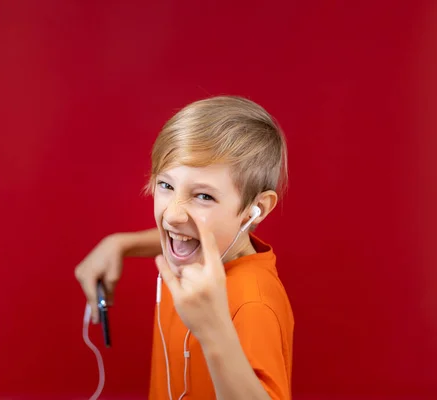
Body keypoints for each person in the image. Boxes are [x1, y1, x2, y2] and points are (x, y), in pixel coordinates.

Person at [75, 96, 294, 400]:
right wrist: (122, 244)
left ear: (255, 209)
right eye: (166, 186)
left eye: (204, 196)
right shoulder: (203, 253)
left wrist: (213, 329)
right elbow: (195, 233)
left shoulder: (253, 304)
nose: (174, 215)